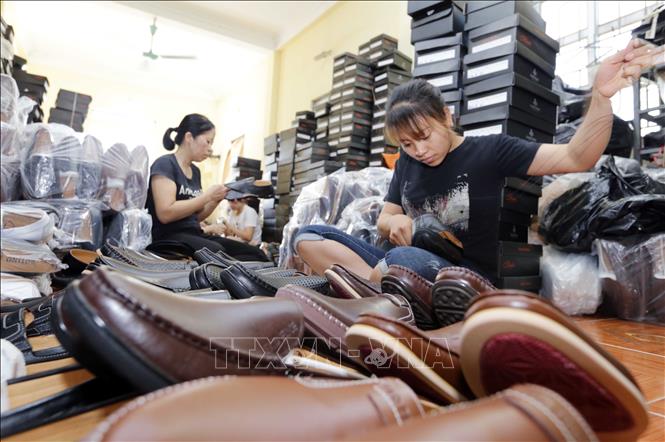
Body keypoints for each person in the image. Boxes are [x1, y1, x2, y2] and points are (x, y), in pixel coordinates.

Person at [294, 39, 662, 282]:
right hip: (403, 262)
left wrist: (601, 96)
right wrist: (396, 222)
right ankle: (378, 287)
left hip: (464, 274)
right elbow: (385, 217)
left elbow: (576, 155)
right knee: (308, 237)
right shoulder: (406, 162)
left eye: (424, 136)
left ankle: (373, 286)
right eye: (406, 143)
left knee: (402, 261)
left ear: (447, 116)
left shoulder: (490, 150)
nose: (417, 150)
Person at [145, 113, 269, 261]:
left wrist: (216, 199)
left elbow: (195, 217)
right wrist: (207, 196)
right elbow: (165, 213)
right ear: (189, 137)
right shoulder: (165, 164)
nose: (210, 149)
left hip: (194, 234)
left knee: (256, 254)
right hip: (168, 236)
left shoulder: (195, 172)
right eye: (208, 141)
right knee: (217, 252)